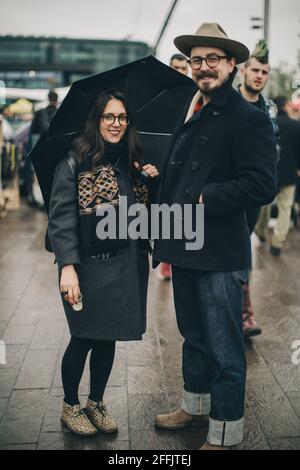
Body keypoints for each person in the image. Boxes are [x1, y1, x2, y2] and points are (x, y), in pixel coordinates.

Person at [153, 23, 277, 450]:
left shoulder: (249, 119)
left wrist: (206, 196)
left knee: (226, 349)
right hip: (183, 246)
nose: (202, 67)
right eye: (196, 60)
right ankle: (195, 406)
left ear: (230, 65)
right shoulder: (188, 108)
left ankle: (224, 433)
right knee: (194, 338)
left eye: (212, 59)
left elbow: (262, 184)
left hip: (221, 254)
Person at [48, 89, 159, 437]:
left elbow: (140, 217)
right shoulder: (75, 160)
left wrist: (147, 183)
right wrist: (68, 267)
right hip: (87, 267)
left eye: (122, 117)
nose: (116, 124)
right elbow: (61, 219)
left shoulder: (130, 159)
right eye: (109, 117)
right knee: (83, 336)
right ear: (97, 120)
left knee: (108, 337)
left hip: (124, 263)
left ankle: (95, 402)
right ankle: (71, 405)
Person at [238, 39, 279, 338]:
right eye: (255, 70)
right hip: (226, 189)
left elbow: (272, 150)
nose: (259, 76)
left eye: (264, 72)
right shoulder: (227, 102)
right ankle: (244, 313)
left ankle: (242, 312)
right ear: (242, 71)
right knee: (238, 250)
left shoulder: (270, 109)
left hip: (253, 193)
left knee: (242, 247)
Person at [157, 54, 189, 282]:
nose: (179, 71)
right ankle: (166, 260)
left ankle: (176, 257)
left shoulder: (194, 94)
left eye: (182, 67)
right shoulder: (163, 95)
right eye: (175, 67)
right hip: (163, 159)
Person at [255, 95, 300, 256]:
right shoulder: (296, 125)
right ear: (287, 105)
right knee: (285, 208)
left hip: (270, 172)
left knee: (264, 205)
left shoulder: (268, 123)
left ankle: (260, 231)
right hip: (290, 173)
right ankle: (277, 242)